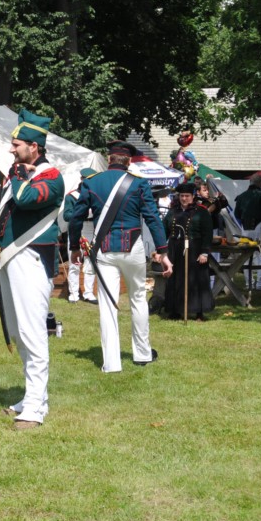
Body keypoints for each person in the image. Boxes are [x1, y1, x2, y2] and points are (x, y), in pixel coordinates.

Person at [0, 111, 65, 430]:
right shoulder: (20, 173)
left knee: (32, 334)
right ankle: (32, 396)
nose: (11, 150)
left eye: (16, 145)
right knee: (19, 332)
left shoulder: (52, 176)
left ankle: (35, 407)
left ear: (34, 147)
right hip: (12, 258)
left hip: (32, 259)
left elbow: (24, 199)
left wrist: (19, 173)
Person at [69, 141, 173, 373]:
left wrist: (75, 247)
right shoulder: (139, 183)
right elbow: (153, 218)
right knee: (138, 298)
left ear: (109, 159)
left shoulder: (92, 182)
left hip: (104, 249)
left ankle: (111, 363)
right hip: (133, 247)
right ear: (129, 161)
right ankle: (143, 353)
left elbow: (76, 217)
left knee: (107, 305)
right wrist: (163, 252)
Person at [162, 182, 215, 320]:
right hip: (175, 248)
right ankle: (175, 310)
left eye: (187, 196)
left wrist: (204, 252)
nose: (184, 199)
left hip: (195, 249)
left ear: (193, 196)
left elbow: (207, 233)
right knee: (176, 278)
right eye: (182, 196)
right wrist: (160, 250)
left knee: (197, 279)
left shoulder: (202, 212)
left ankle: (199, 312)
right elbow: (164, 230)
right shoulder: (173, 211)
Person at [61, 168, 98, 303]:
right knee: (74, 263)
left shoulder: (96, 195)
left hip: (91, 228)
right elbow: (66, 216)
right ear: (82, 179)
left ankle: (89, 293)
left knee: (90, 262)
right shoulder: (72, 196)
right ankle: (74, 293)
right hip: (77, 228)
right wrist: (81, 213)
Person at [234, 173, 261, 290]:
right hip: (260, 228)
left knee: (246, 256)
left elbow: (236, 214)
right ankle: (260, 284)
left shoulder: (241, 196)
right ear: (260, 183)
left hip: (245, 229)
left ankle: (248, 283)